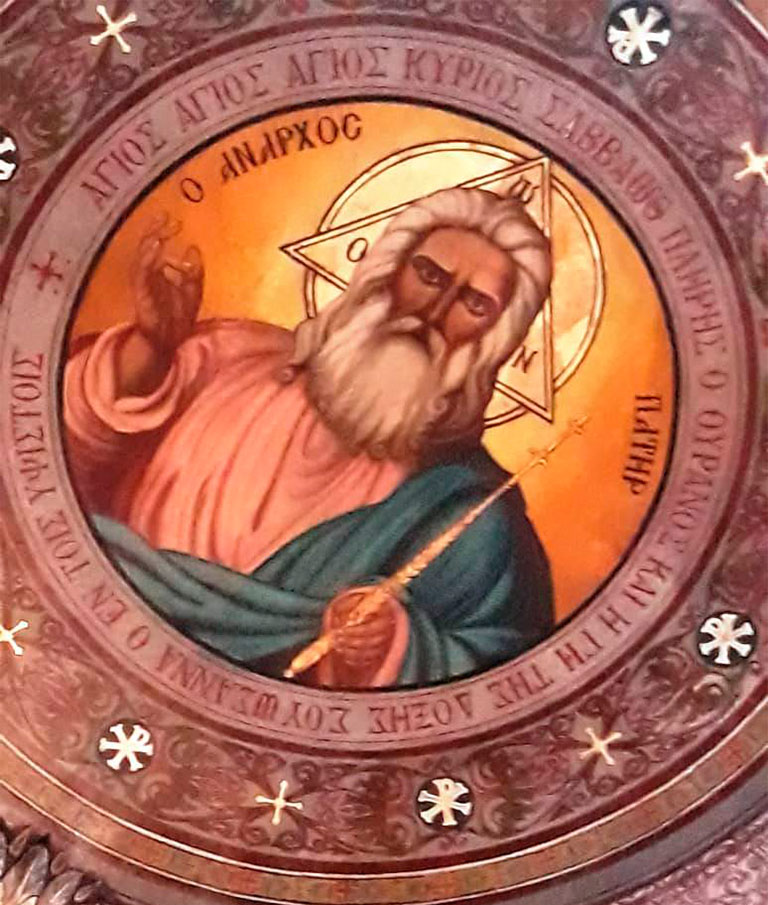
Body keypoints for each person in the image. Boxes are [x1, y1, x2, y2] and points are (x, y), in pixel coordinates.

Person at [64, 186, 554, 689]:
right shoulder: (230, 356)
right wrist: (150, 350)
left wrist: (391, 644)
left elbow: (500, 670)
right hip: (94, 655)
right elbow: (60, 464)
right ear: (386, 272)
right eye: (429, 275)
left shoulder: (465, 513)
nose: (435, 310)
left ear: (493, 340)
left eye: (473, 303)